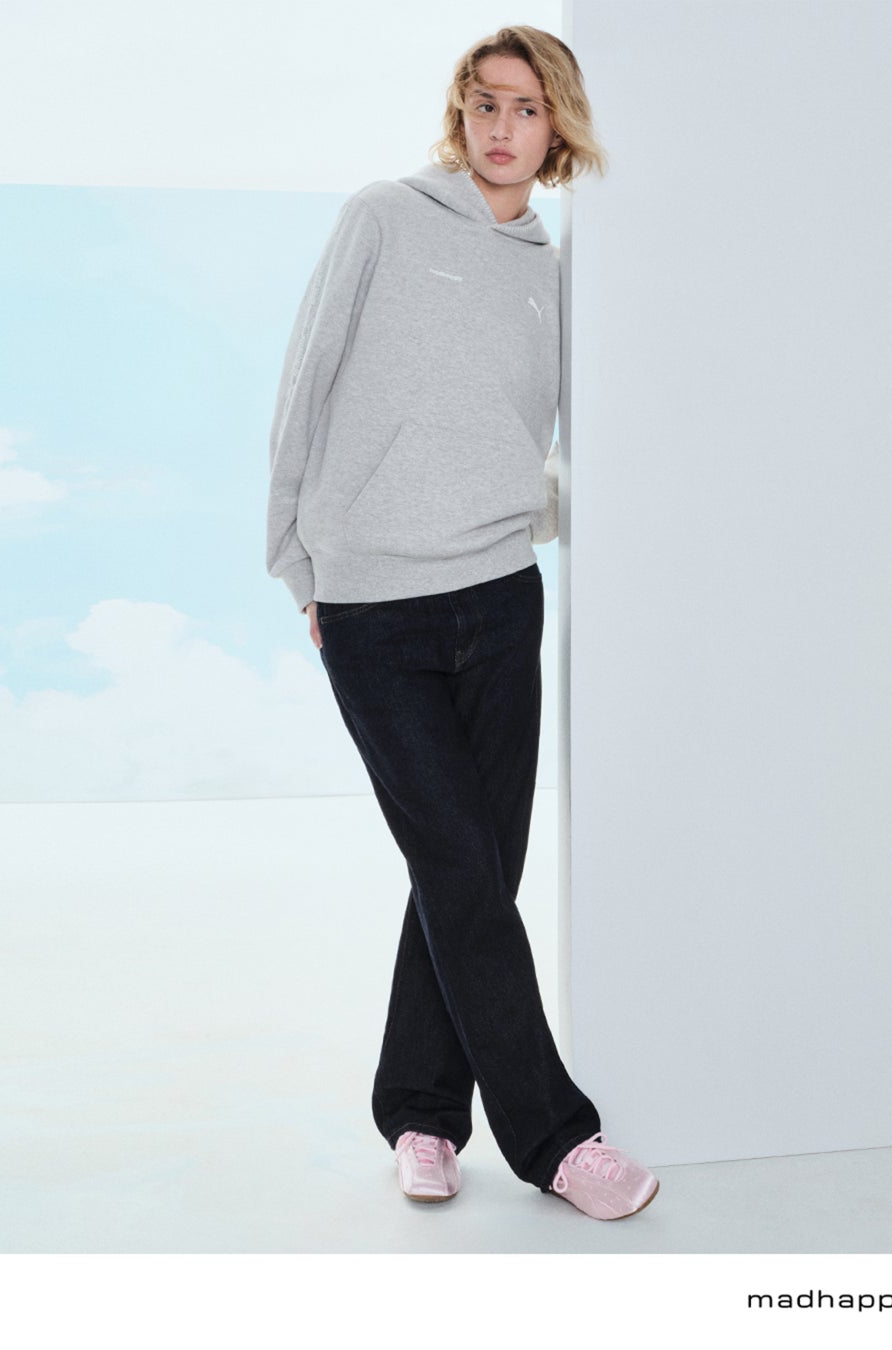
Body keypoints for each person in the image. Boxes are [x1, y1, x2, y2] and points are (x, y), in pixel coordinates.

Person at [266, 25, 658, 1221]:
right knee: (458, 867)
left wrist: (545, 517)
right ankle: (557, 1140)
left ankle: (424, 1116)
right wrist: (297, 561)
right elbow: (305, 379)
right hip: (372, 604)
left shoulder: (558, 270)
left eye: (527, 109)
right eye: (486, 103)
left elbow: (557, 430)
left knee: (472, 872)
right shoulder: (384, 217)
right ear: (461, 112)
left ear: (557, 127)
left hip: (497, 593)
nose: (502, 127)